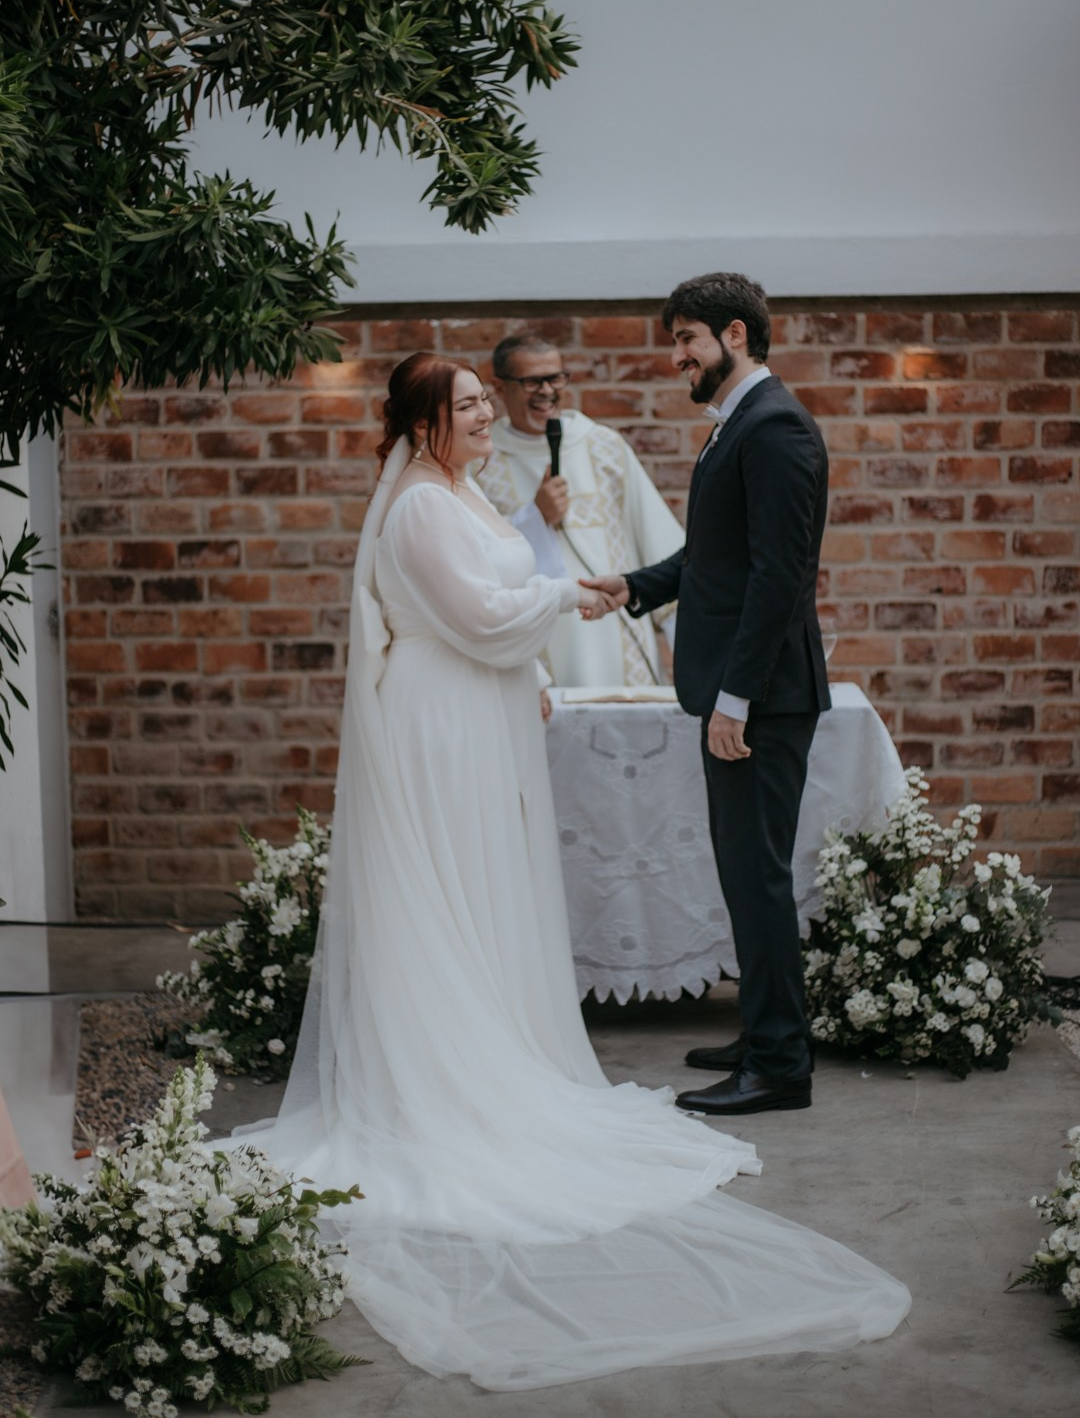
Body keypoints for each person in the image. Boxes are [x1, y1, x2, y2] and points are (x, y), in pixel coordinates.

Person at [230, 352, 908, 1389]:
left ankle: (493, 1051)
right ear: (421, 426)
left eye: (478, 405)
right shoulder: (416, 508)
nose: (480, 418)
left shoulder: (461, 489)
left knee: (488, 895)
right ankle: (440, 1081)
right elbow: (480, 616)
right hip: (441, 722)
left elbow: (503, 595)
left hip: (483, 708)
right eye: (463, 407)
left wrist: (557, 636)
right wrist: (569, 607)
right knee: (446, 895)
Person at [583, 273, 831, 1118]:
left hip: (760, 701)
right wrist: (632, 585)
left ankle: (780, 1067)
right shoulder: (737, 426)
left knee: (758, 879)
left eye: (686, 339)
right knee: (743, 876)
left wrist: (737, 699)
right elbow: (714, 559)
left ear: (735, 333)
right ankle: (766, 1032)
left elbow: (779, 579)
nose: (676, 357)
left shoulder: (775, 427)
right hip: (743, 695)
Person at [474, 334, 684, 686]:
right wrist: (535, 518)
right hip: (536, 653)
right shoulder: (482, 463)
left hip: (618, 643)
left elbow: (661, 545)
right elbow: (477, 560)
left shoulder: (604, 447)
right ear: (499, 386)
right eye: (531, 381)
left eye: (555, 378)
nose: (547, 391)